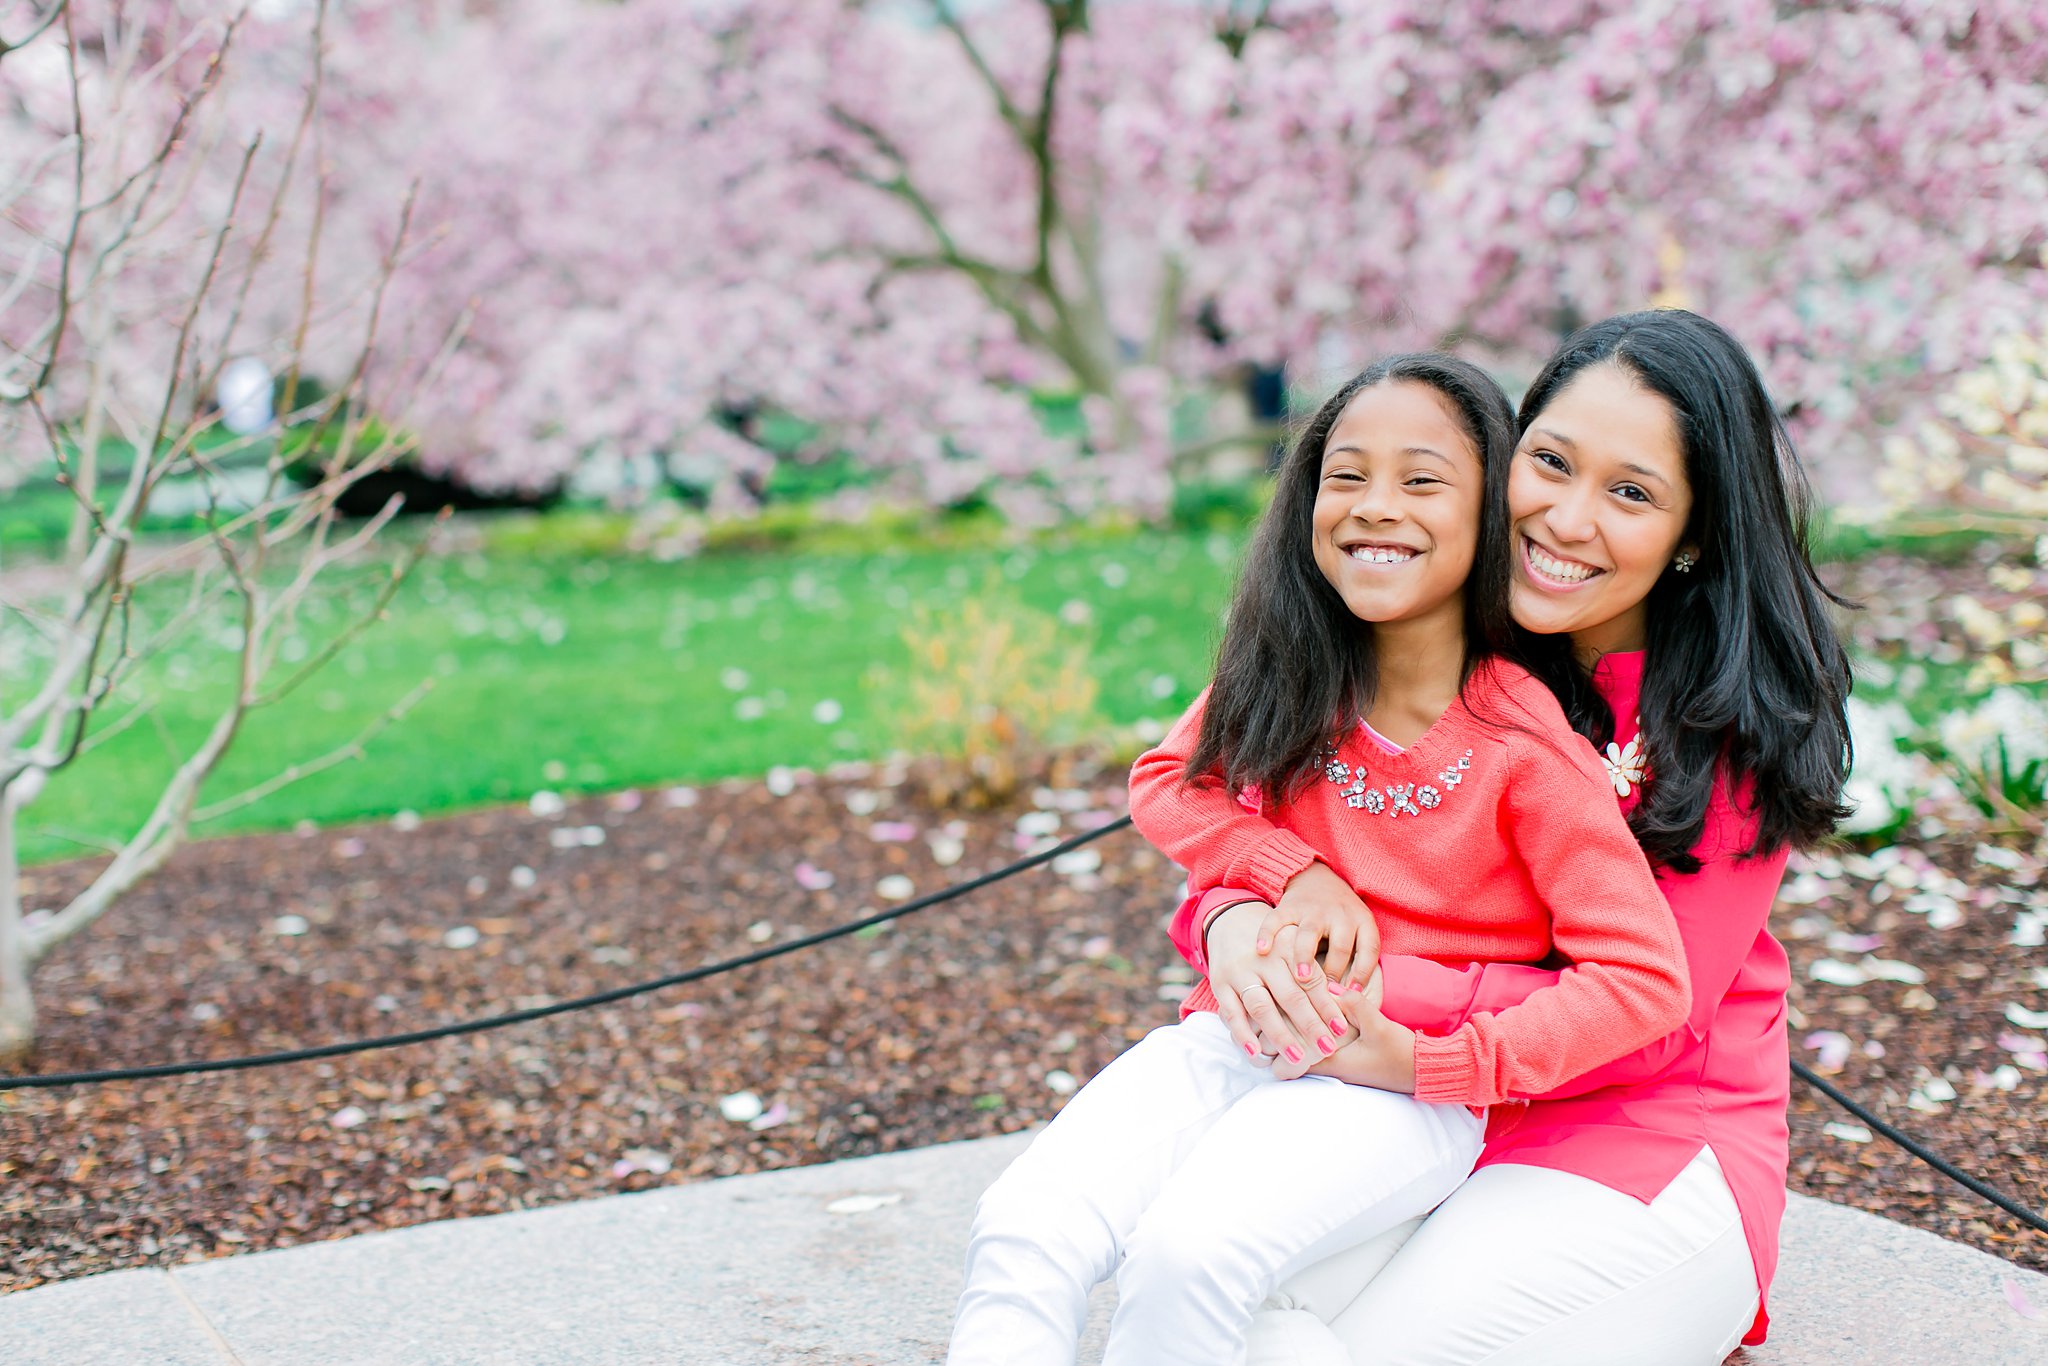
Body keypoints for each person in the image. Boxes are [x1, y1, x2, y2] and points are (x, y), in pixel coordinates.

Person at [947, 353, 1695, 1366]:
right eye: (1344, 476)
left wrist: (1439, 1062)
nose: (1374, 506)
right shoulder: (1298, 671)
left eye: (1421, 480)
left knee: (1186, 1254)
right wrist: (1279, 873)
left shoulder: (1525, 750)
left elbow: (1642, 980)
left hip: (1387, 1090)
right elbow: (1170, 779)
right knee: (1026, 1221)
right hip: (1233, 1038)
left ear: (1488, 523)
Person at [1187, 309, 1852, 1365]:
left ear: (1692, 533)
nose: (1564, 518)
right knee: (1197, 1293)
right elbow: (1256, 821)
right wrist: (1228, 916)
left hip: (1636, 1140)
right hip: (1413, 1114)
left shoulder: (1722, 725)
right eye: (1548, 462)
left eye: (1629, 493)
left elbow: (1652, 1018)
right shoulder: (1437, 644)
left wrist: (1390, 997)